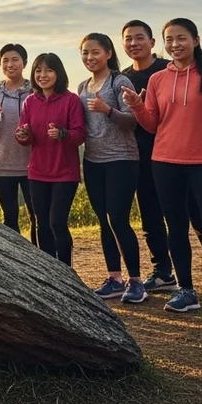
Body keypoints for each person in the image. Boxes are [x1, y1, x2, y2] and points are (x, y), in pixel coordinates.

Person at [122, 18, 202, 324]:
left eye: (181, 38)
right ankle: (186, 290)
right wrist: (138, 107)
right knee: (176, 229)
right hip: (164, 163)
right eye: (170, 39)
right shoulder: (157, 81)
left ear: (195, 40)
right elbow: (152, 124)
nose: (175, 44)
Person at [78, 33, 146, 304]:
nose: (89, 58)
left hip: (122, 159)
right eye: (85, 53)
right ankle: (114, 278)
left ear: (108, 53)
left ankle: (137, 281)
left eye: (95, 52)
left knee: (118, 219)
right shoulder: (83, 86)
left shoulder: (120, 81)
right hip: (93, 161)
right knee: (104, 222)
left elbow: (133, 122)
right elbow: (81, 126)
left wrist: (107, 109)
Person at [15, 53, 85, 266]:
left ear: (59, 73)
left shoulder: (71, 100)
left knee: (57, 222)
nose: (42, 75)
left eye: (48, 70)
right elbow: (25, 137)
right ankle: (49, 272)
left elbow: (80, 135)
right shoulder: (29, 102)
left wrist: (63, 134)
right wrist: (23, 135)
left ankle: (66, 270)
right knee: (41, 224)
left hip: (65, 173)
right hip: (37, 172)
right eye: (38, 71)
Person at [0, 43, 37, 245]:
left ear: (24, 63)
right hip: (2, 161)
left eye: (15, 60)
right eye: (5, 60)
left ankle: (40, 263)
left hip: (33, 164)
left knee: (36, 217)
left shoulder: (35, 90)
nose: (10, 64)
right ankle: (16, 266)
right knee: (9, 218)